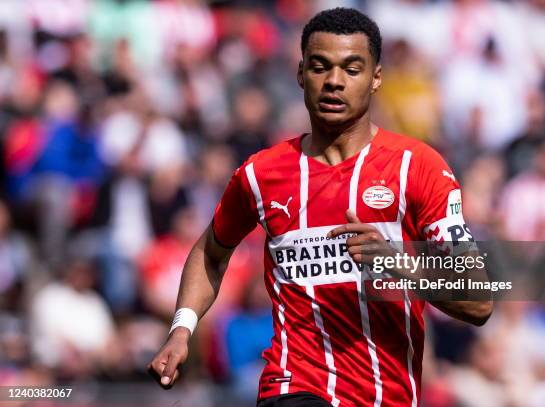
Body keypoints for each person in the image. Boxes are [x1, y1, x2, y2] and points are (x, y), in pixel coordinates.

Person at [148, 8, 492, 406]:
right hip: (292, 388)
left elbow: (478, 298)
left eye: (351, 69)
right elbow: (211, 253)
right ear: (300, 74)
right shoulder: (261, 174)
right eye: (320, 67)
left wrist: (396, 262)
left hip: (388, 395)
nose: (333, 82)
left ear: (376, 78)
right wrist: (181, 329)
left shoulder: (419, 169)